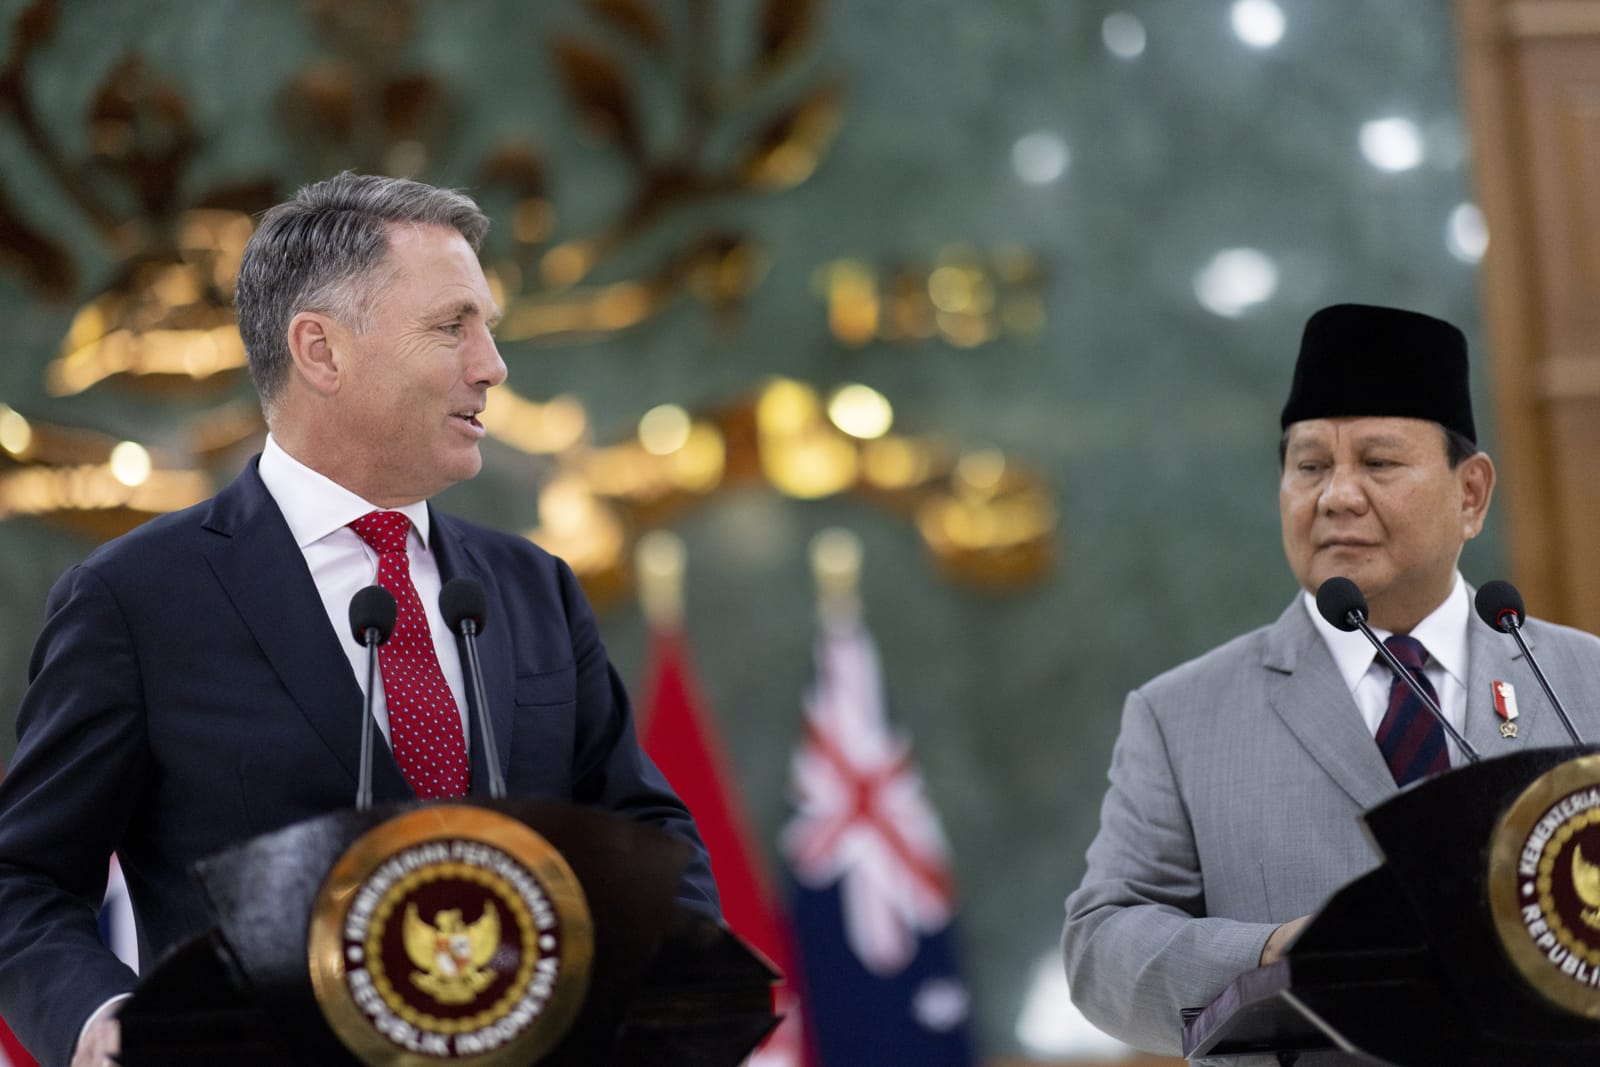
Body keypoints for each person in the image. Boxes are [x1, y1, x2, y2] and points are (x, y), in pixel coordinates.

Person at [0, 173, 719, 1067]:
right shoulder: (137, 600)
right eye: (453, 324)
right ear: (321, 350)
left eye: (487, 327)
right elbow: (22, 878)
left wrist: (676, 1010)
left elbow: (646, 832)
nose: (492, 364)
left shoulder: (533, 586)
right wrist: (100, 1017)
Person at [1061, 303, 1600, 1058]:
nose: (1336, 495)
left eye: (1378, 463)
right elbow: (1100, 946)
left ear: (1471, 494)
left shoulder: (1581, 679)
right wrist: (1280, 952)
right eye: (1310, 466)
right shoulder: (1181, 716)